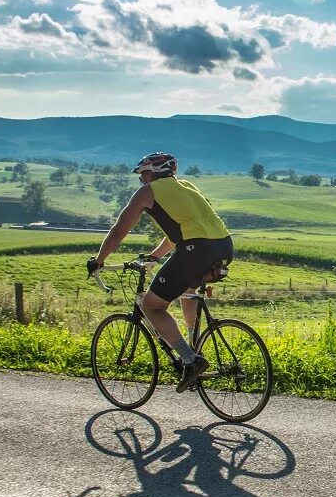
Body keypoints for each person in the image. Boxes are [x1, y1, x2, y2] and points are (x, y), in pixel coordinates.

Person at [87, 152, 233, 392]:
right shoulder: (186, 186)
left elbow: (118, 231)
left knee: (151, 306)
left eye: (143, 174)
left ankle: (190, 359)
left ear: (153, 173)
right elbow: (181, 231)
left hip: (195, 250)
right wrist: (155, 256)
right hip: (224, 247)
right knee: (188, 289)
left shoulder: (148, 192)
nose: (142, 180)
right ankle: (194, 344)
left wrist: (99, 260)